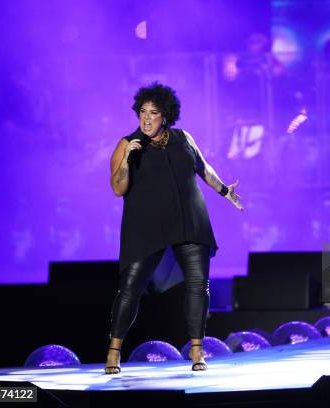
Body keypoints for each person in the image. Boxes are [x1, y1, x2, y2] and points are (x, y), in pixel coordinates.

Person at [104, 83, 244, 374]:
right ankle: (113, 352)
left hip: (188, 219)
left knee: (197, 285)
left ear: (165, 115)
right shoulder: (126, 144)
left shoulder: (183, 138)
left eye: (153, 113)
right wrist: (128, 159)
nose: (146, 118)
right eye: (142, 112)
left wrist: (223, 191)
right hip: (146, 226)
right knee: (130, 289)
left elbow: (203, 168)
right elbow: (118, 188)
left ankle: (196, 351)